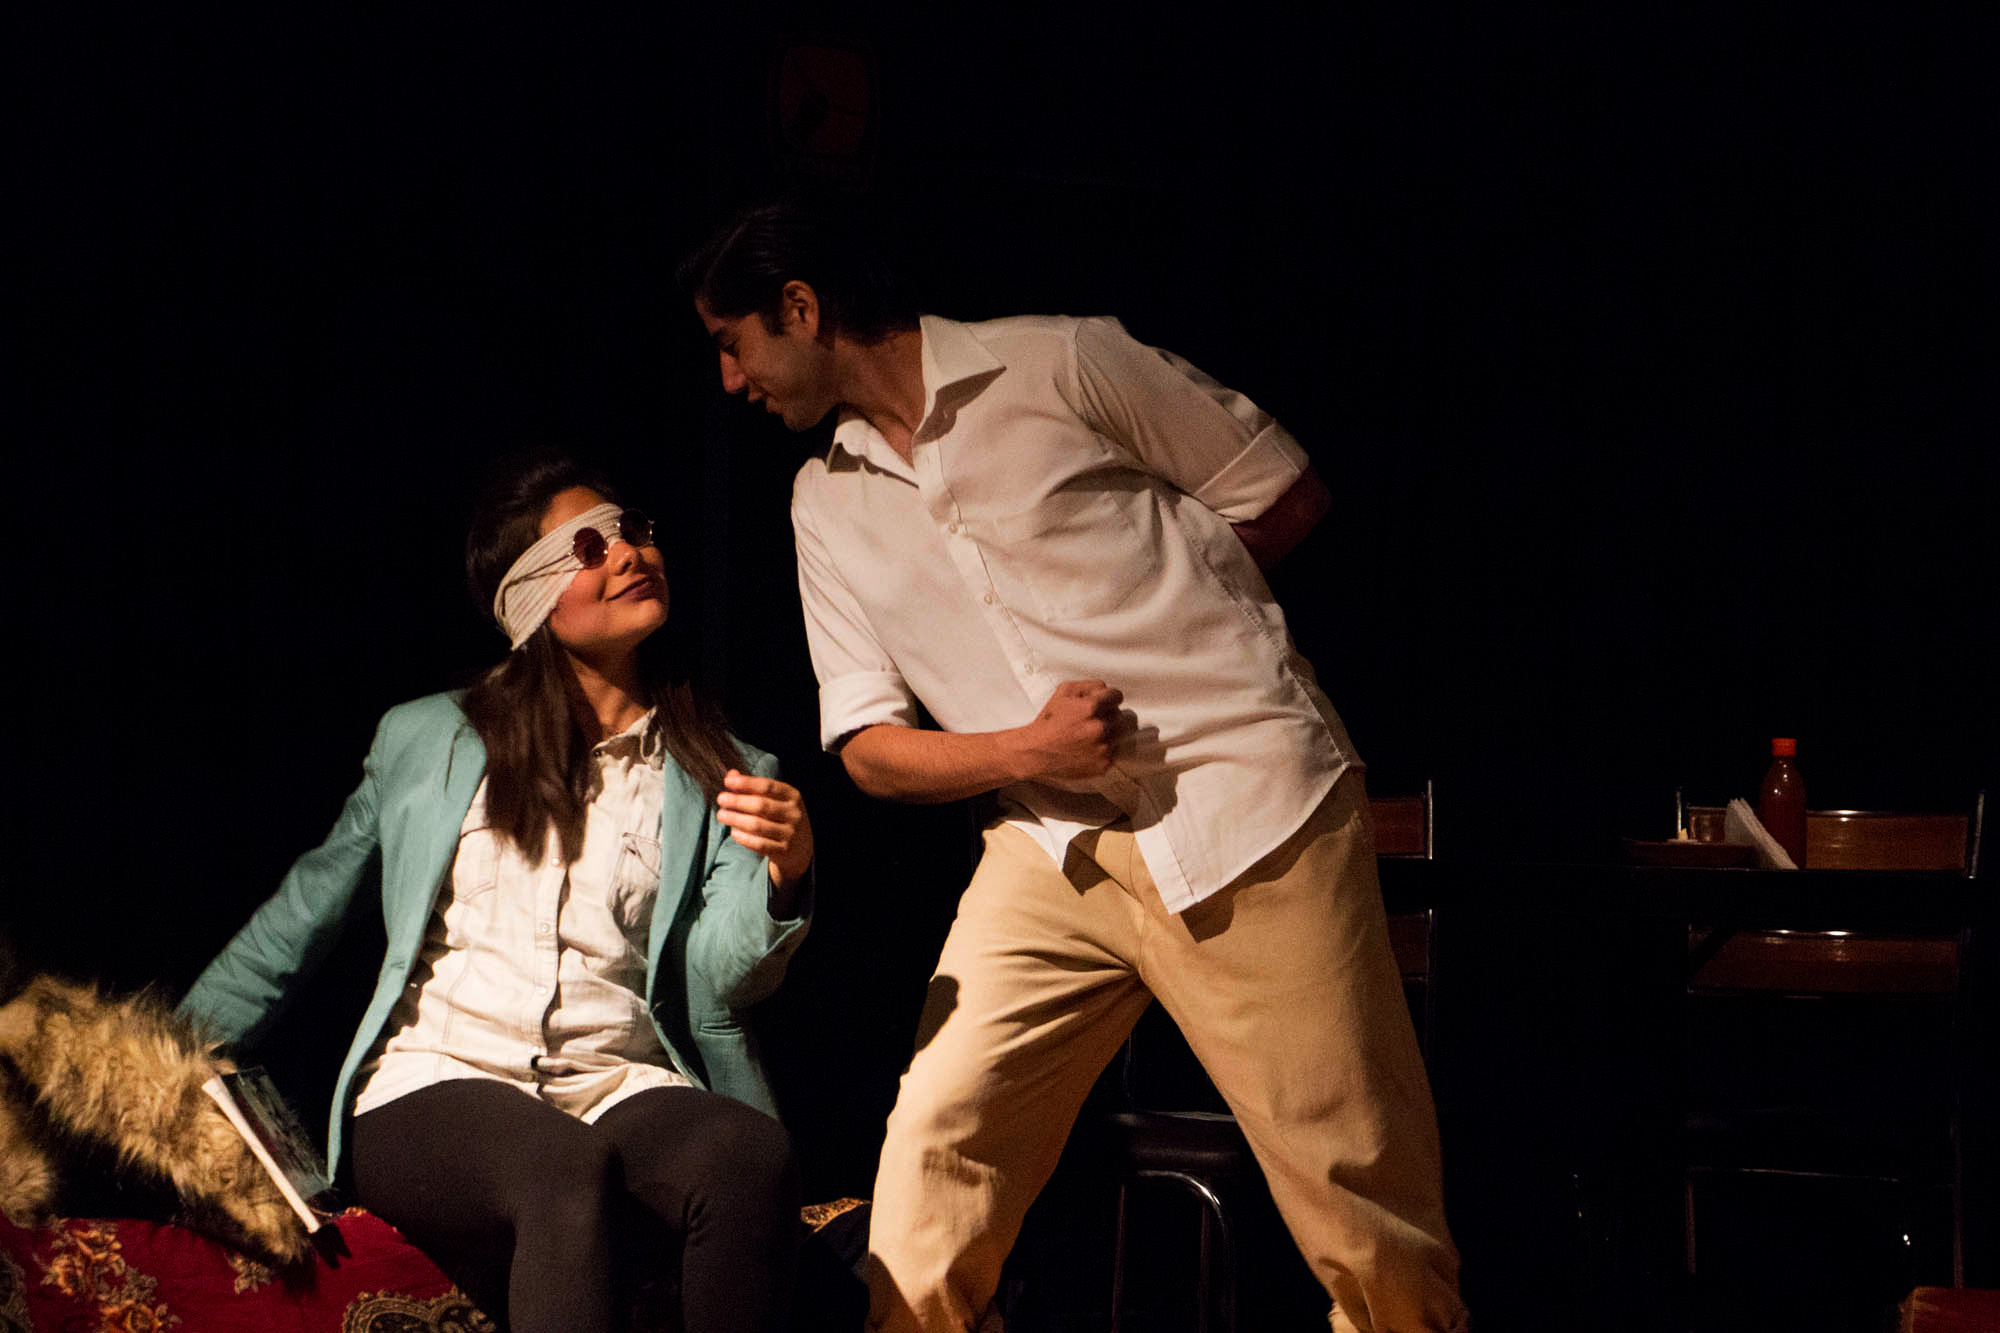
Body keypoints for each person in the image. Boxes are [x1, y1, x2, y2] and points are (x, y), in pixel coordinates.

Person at [679, 199, 1467, 1333]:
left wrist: (1183, 618)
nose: (728, 378)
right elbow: (870, 748)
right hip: (1050, 854)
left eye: (731, 340)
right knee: (935, 1159)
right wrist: (1030, 751)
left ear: (798, 308)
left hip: (1245, 810)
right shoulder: (828, 502)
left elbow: (1279, 491)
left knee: (1359, 1200)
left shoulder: (1062, 364)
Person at [179, 450, 816, 1333]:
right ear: (532, 599)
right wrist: (163, 1063)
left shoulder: (725, 766)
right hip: (437, 1081)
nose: (630, 552)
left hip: (614, 1082)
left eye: (634, 529)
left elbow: (718, 975)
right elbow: (297, 923)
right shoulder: (429, 738)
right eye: (589, 546)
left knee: (749, 1155)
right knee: (562, 1169)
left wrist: (786, 872)